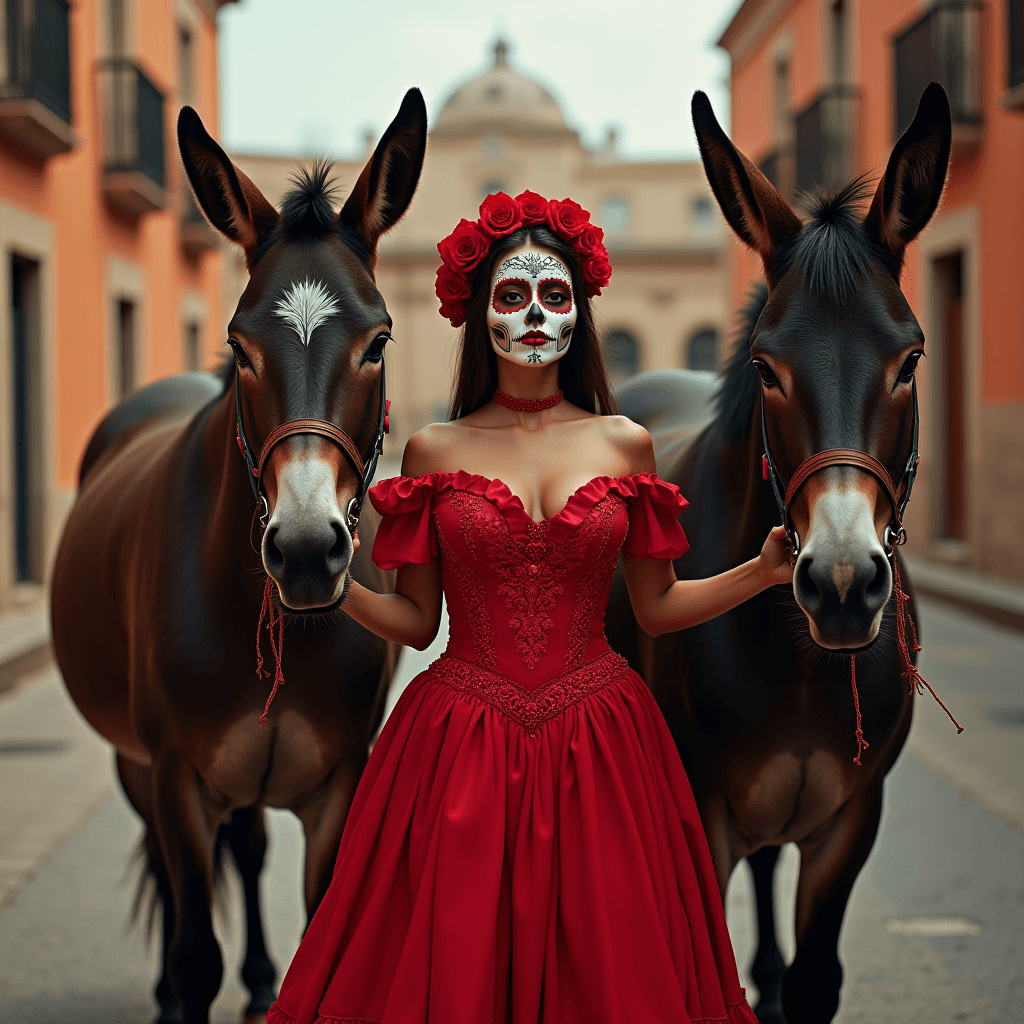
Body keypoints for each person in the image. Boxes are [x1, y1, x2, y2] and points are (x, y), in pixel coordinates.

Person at [268, 191, 791, 1024]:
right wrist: (341, 593)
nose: (537, 315)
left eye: (556, 296)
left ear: (580, 311)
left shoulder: (625, 443)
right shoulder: (434, 450)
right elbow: (416, 622)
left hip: (605, 747)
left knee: (611, 969)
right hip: (457, 746)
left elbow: (654, 609)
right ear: (479, 314)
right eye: (513, 296)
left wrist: (759, 576)